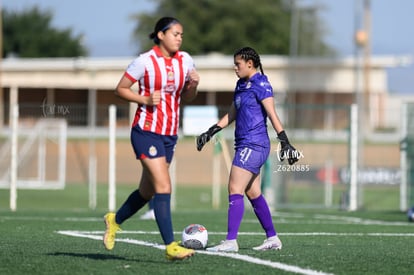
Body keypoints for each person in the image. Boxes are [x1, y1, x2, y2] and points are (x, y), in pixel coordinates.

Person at [103, 17, 199, 260]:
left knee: (147, 191)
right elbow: (120, 89)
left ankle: (114, 220)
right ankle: (171, 246)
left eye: (181, 34)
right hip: (146, 132)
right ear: (160, 34)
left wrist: (194, 85)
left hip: (169, 134)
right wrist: (144, 100)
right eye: (175, 33)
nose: (179, 37)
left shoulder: (186, 60)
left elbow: (187, 97)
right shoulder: (144, 61)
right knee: (164, 186)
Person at [196, 46, 298, 252]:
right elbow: (232, 114)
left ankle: (231, 241)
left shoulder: (262, 84)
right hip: (244, 144)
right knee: (253, 193)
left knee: (235, 188)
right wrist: (211, 130)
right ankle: (273, 238)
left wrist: (285, 141)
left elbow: (272, 114)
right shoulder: (241, 85)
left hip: (255, 144)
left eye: (238, 64)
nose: (235, 67)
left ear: (250, 64)